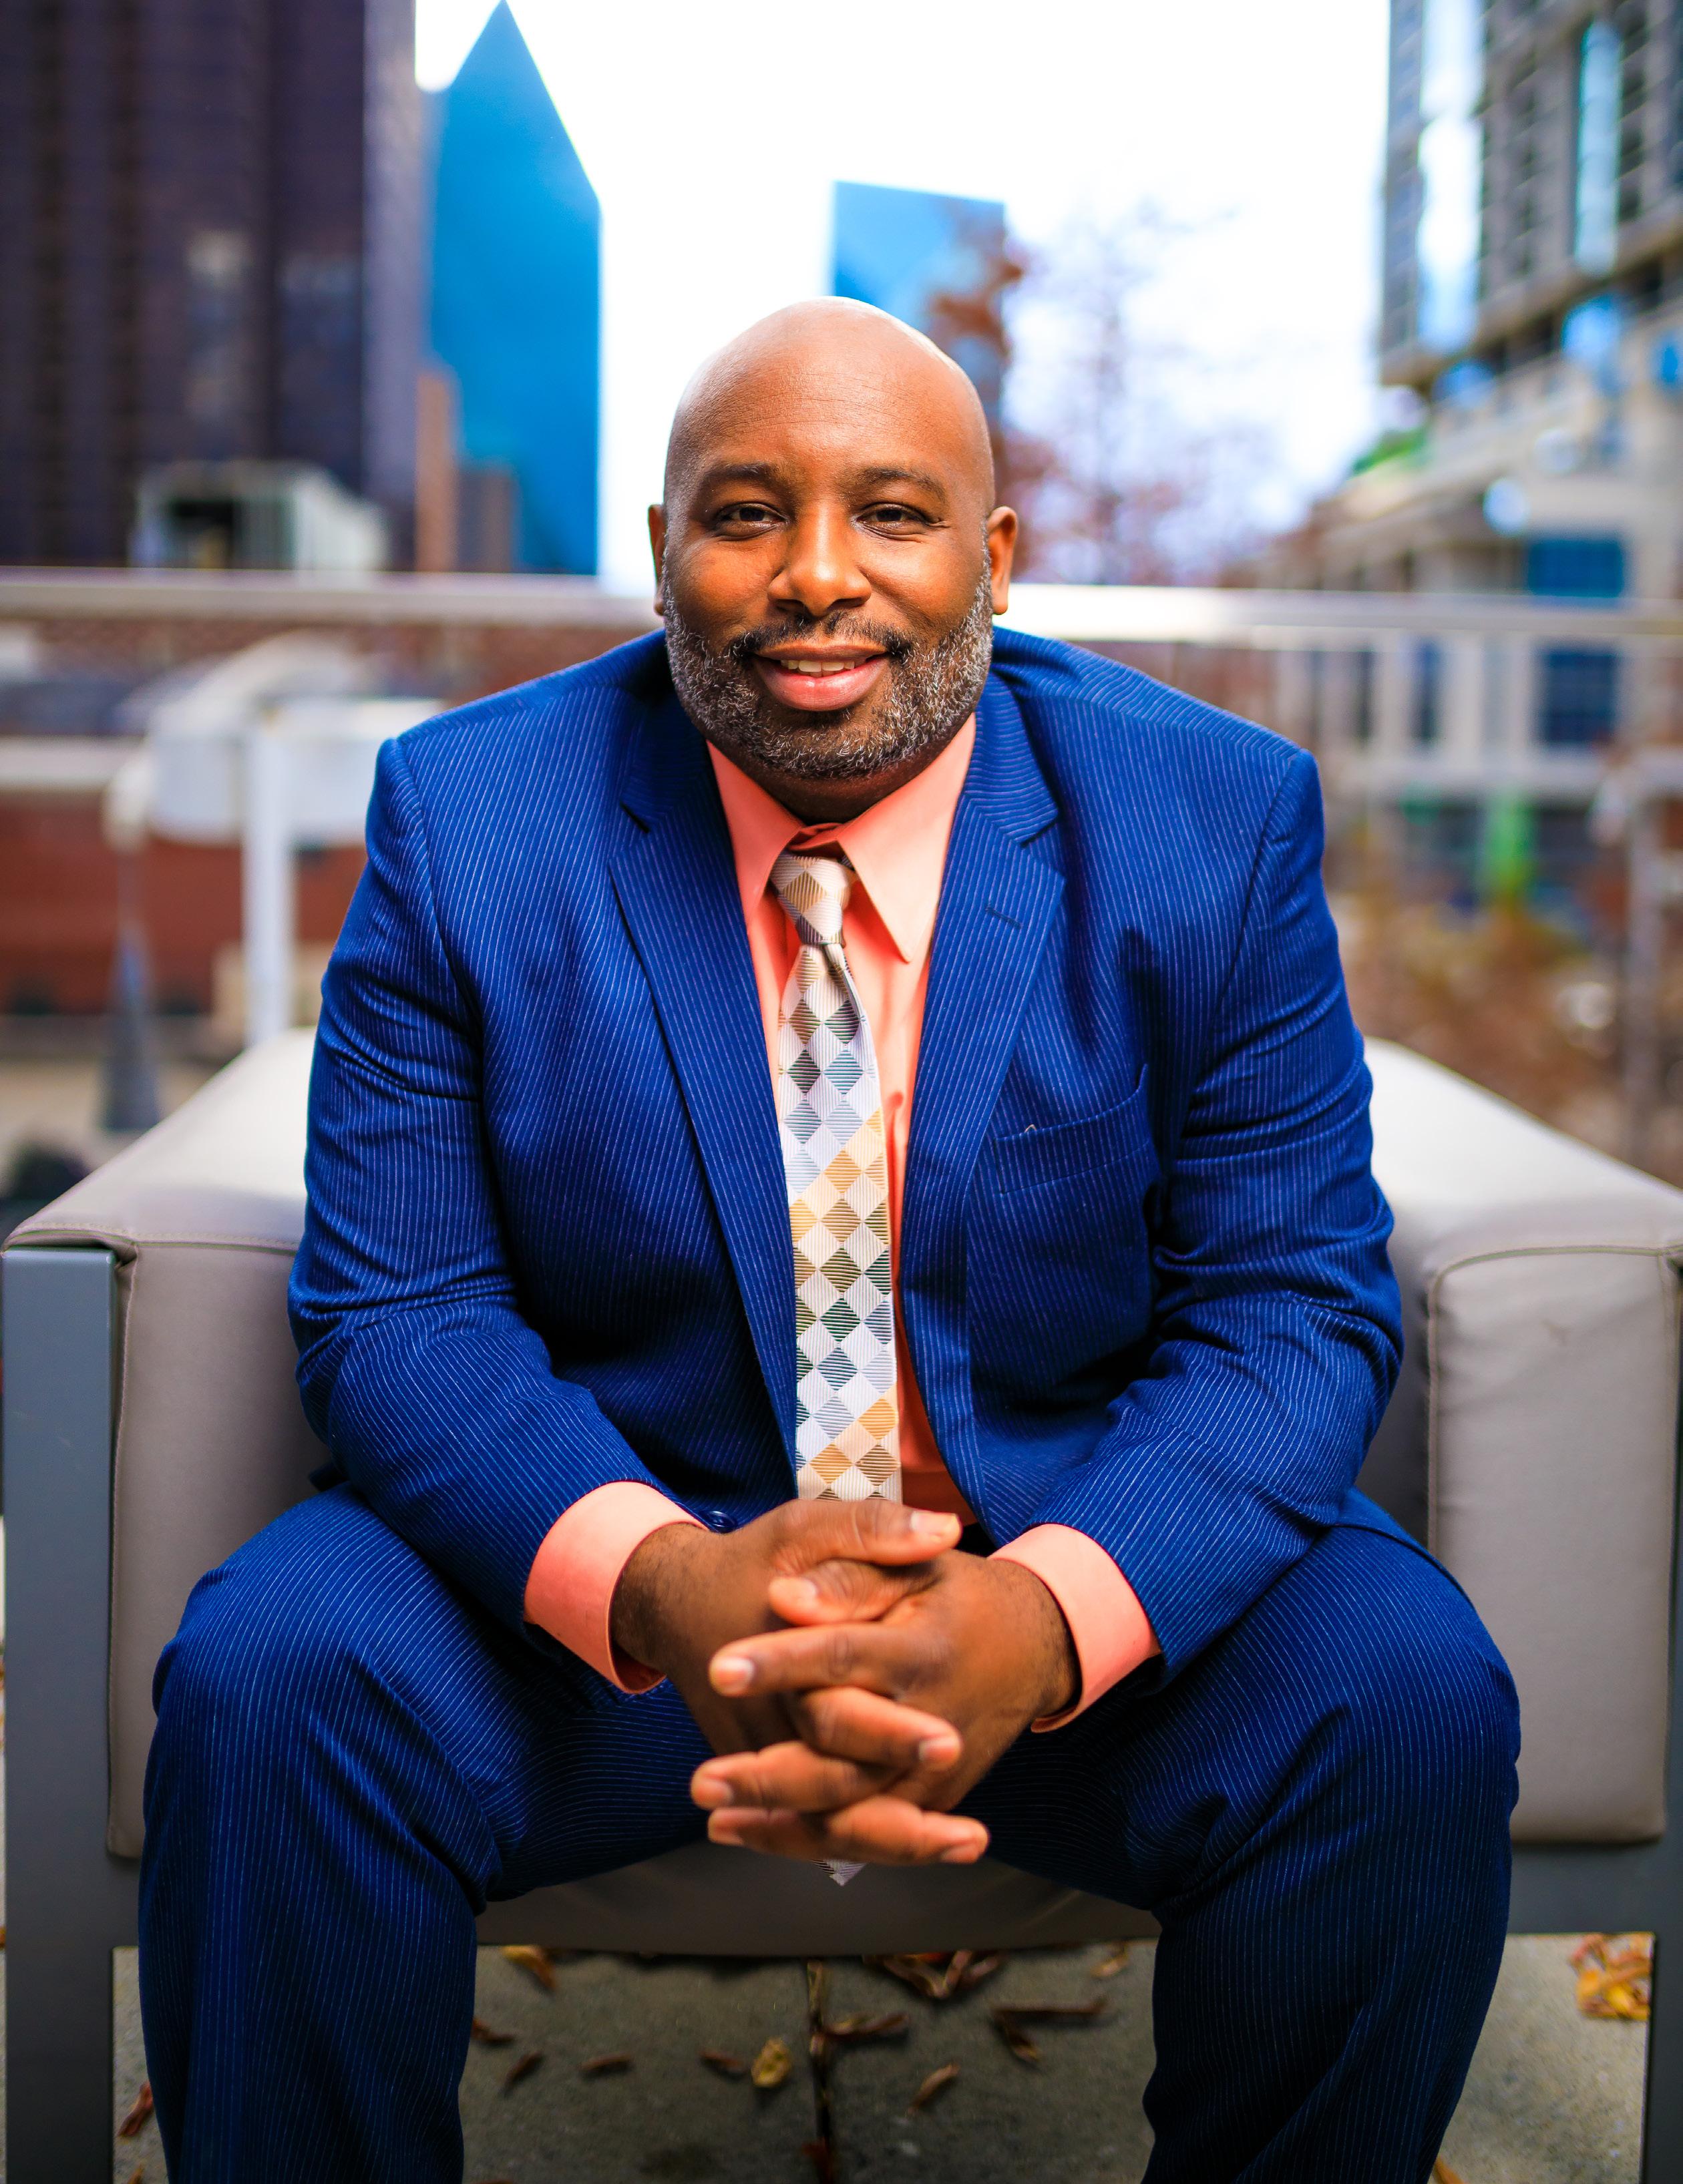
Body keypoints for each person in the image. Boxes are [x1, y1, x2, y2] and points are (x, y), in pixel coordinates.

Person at [140, 301, 1518, 2182]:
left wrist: (1039, 1620)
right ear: (662, 553)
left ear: (994, 556)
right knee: (277, 1676)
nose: (815, 576)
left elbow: (1287, 1309)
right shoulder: (468, 820)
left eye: (891, 511)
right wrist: (667, 1588)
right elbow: (404, 1313)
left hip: (1059, 1577)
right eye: (745, 513)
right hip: (617, 1616)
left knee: (1403, 1692)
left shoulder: (1210, 821)